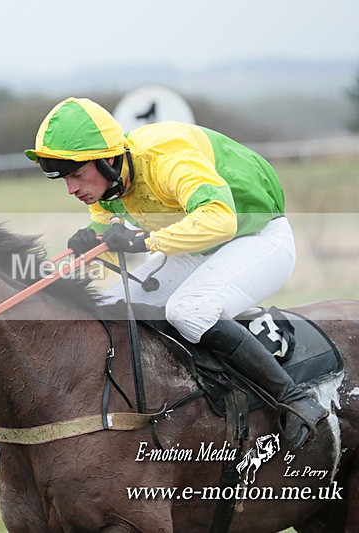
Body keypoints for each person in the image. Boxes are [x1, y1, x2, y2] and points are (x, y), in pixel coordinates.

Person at [24, 96, 327, 449]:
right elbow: (111, 225)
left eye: (76, 175)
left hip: (257, 238)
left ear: (108, 160)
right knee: (106, 309)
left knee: (188, 311)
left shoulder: (168, 157)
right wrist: (94, 239)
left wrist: (144, 241)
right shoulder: (108, 182)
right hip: (196, 247)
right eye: (64, 179)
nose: (72, 189)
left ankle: (295, 399)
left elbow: (220, 220)